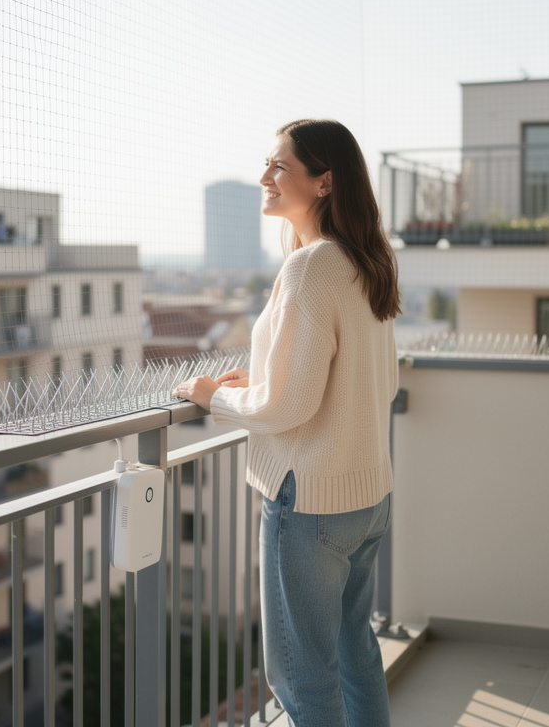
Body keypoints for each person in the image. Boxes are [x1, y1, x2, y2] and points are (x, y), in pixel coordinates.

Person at [173, 119, 400, 727]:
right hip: (366, 495)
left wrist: (208, 397)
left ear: (324, 182)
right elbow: (366, 378)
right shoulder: (366, 261)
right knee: (356, 654)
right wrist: (267, 379)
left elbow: (287, 409)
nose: (264, 176)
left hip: (311, 501)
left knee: (301, 679)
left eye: (280, 166)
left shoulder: (310, 268)